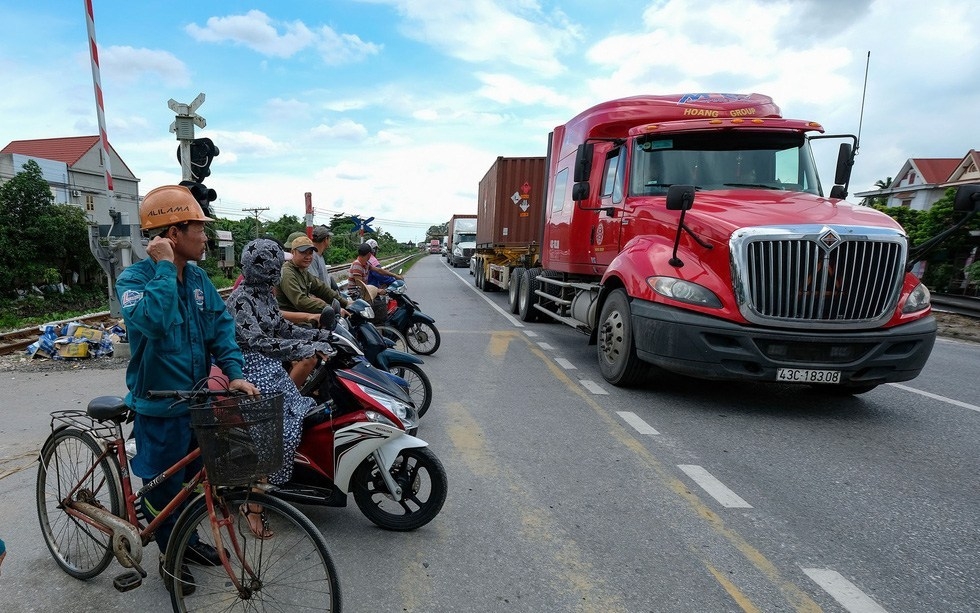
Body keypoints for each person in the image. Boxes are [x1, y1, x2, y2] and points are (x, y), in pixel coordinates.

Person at [115, 185, 260, 590]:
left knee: (195, 483)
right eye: (199, 228)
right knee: (162, 492)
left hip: (198, 403)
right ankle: (169, 554)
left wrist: (233, 372)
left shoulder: (197, 278)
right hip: (159, 408)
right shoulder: (133, 279)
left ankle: (188, 540)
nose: (206, 237)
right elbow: (154, 323)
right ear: (173, 234)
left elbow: (221, 329)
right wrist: (163, 268)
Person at [227, 238, 337, 535]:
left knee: (299, 417)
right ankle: (253, 505)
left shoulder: (265, 295)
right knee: (274, 432)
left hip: (270, 367)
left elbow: (281, 328)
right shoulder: (240, 300)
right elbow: (259, 342)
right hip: (251, 368)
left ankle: (271, 487)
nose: (275, 270)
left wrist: (315, 336)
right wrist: (303, 347)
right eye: (272, 266)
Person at [277, 235, 350, 325]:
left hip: (304, 317)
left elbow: (322, 289)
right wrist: (330, 308)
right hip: (291, 322)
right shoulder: (287, 272)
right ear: (293, 252)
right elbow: (300, 301)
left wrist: (346, 303)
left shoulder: (303, 271)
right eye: (303, 253)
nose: (308, 257)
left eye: (310, 253)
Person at [308, 225, 340, 292]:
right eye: (329, 238)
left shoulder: (320, 255)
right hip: (321, 299)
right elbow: (314, 284)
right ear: (325, 239)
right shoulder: (312, 257)